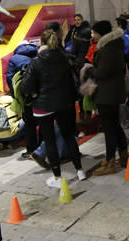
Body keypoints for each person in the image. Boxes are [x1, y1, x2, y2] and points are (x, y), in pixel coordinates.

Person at [19, 30, 85, 187]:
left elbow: (25, 87)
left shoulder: (36, 62)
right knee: (69, 136)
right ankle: (80, 170)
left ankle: (57, 177)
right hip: (65, 103)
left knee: (49, 141)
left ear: (41, 43)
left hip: (43, 106)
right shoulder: (65, 58)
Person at [89, 21, 128, 176]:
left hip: (106, 94)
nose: (92, 36)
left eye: (94, 33)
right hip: (114, 92)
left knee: (109, 128)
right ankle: (123, 156)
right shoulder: (116, 46)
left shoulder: (107, 50)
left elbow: (102, 73)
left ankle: (110, 161)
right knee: (115, 126)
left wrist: (90, 70)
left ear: (102, 34)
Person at [5, 41, 39, 160]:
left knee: (29, 124)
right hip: (38, 93)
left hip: (24, 94)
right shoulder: (37, 54)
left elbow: (10, 78)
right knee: (42, 122)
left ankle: (31, 150)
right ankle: (43, 148)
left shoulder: (14, 58)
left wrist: (14, 94)